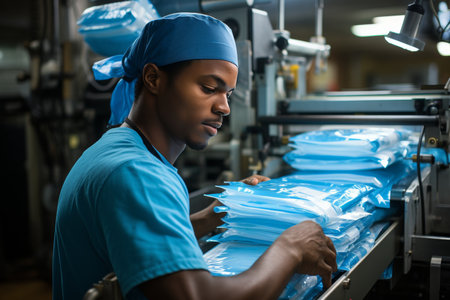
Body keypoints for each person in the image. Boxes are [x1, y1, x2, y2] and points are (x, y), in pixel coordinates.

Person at [52, 12, 337, 300]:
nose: (224, 107)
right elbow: (198, 296)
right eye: (209, 88)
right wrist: (290, 248)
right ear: (153, 78)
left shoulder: (118, 147)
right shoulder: (136, 172)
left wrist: (210, 218)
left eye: (228, 93)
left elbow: (132, 238)